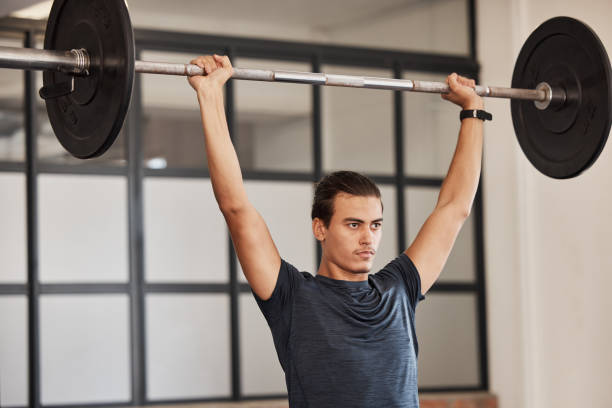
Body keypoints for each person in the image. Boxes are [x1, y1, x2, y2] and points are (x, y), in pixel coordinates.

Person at [188, 55, 484, 408]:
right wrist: (210, 96)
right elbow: (236, 208)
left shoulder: (399, 289)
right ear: (320, 228)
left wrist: (473, 112)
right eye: (353, 224)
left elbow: (455, 208)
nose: (368, 238)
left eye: (375, 225)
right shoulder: (292, 297)